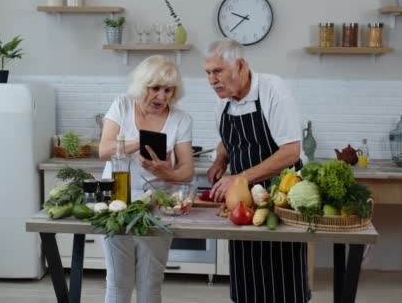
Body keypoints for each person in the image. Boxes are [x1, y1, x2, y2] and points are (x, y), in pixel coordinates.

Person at [205, 39, 309, 303]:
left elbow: (290, 152)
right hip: (242, 200)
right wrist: (220, 160)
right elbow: (227, 142)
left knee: (282, 273)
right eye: (208, 73)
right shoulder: (223, 103)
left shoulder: (272, 90)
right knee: (245, 268)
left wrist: (239, 178)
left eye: (217, 71)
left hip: (280, 194)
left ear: (240, 65)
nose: (211, 80)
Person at [99, 55, 194, 303]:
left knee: (150, 283)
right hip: (116, 203)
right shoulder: (122, 105)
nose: (162, 97)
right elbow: (104, 150)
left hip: (156, 206)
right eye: (155, 88)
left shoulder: (181, 119)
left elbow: (187, 171)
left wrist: (165, 172)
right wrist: (140, 140)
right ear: (143, 86)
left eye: (168, 90)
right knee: (119, 283)